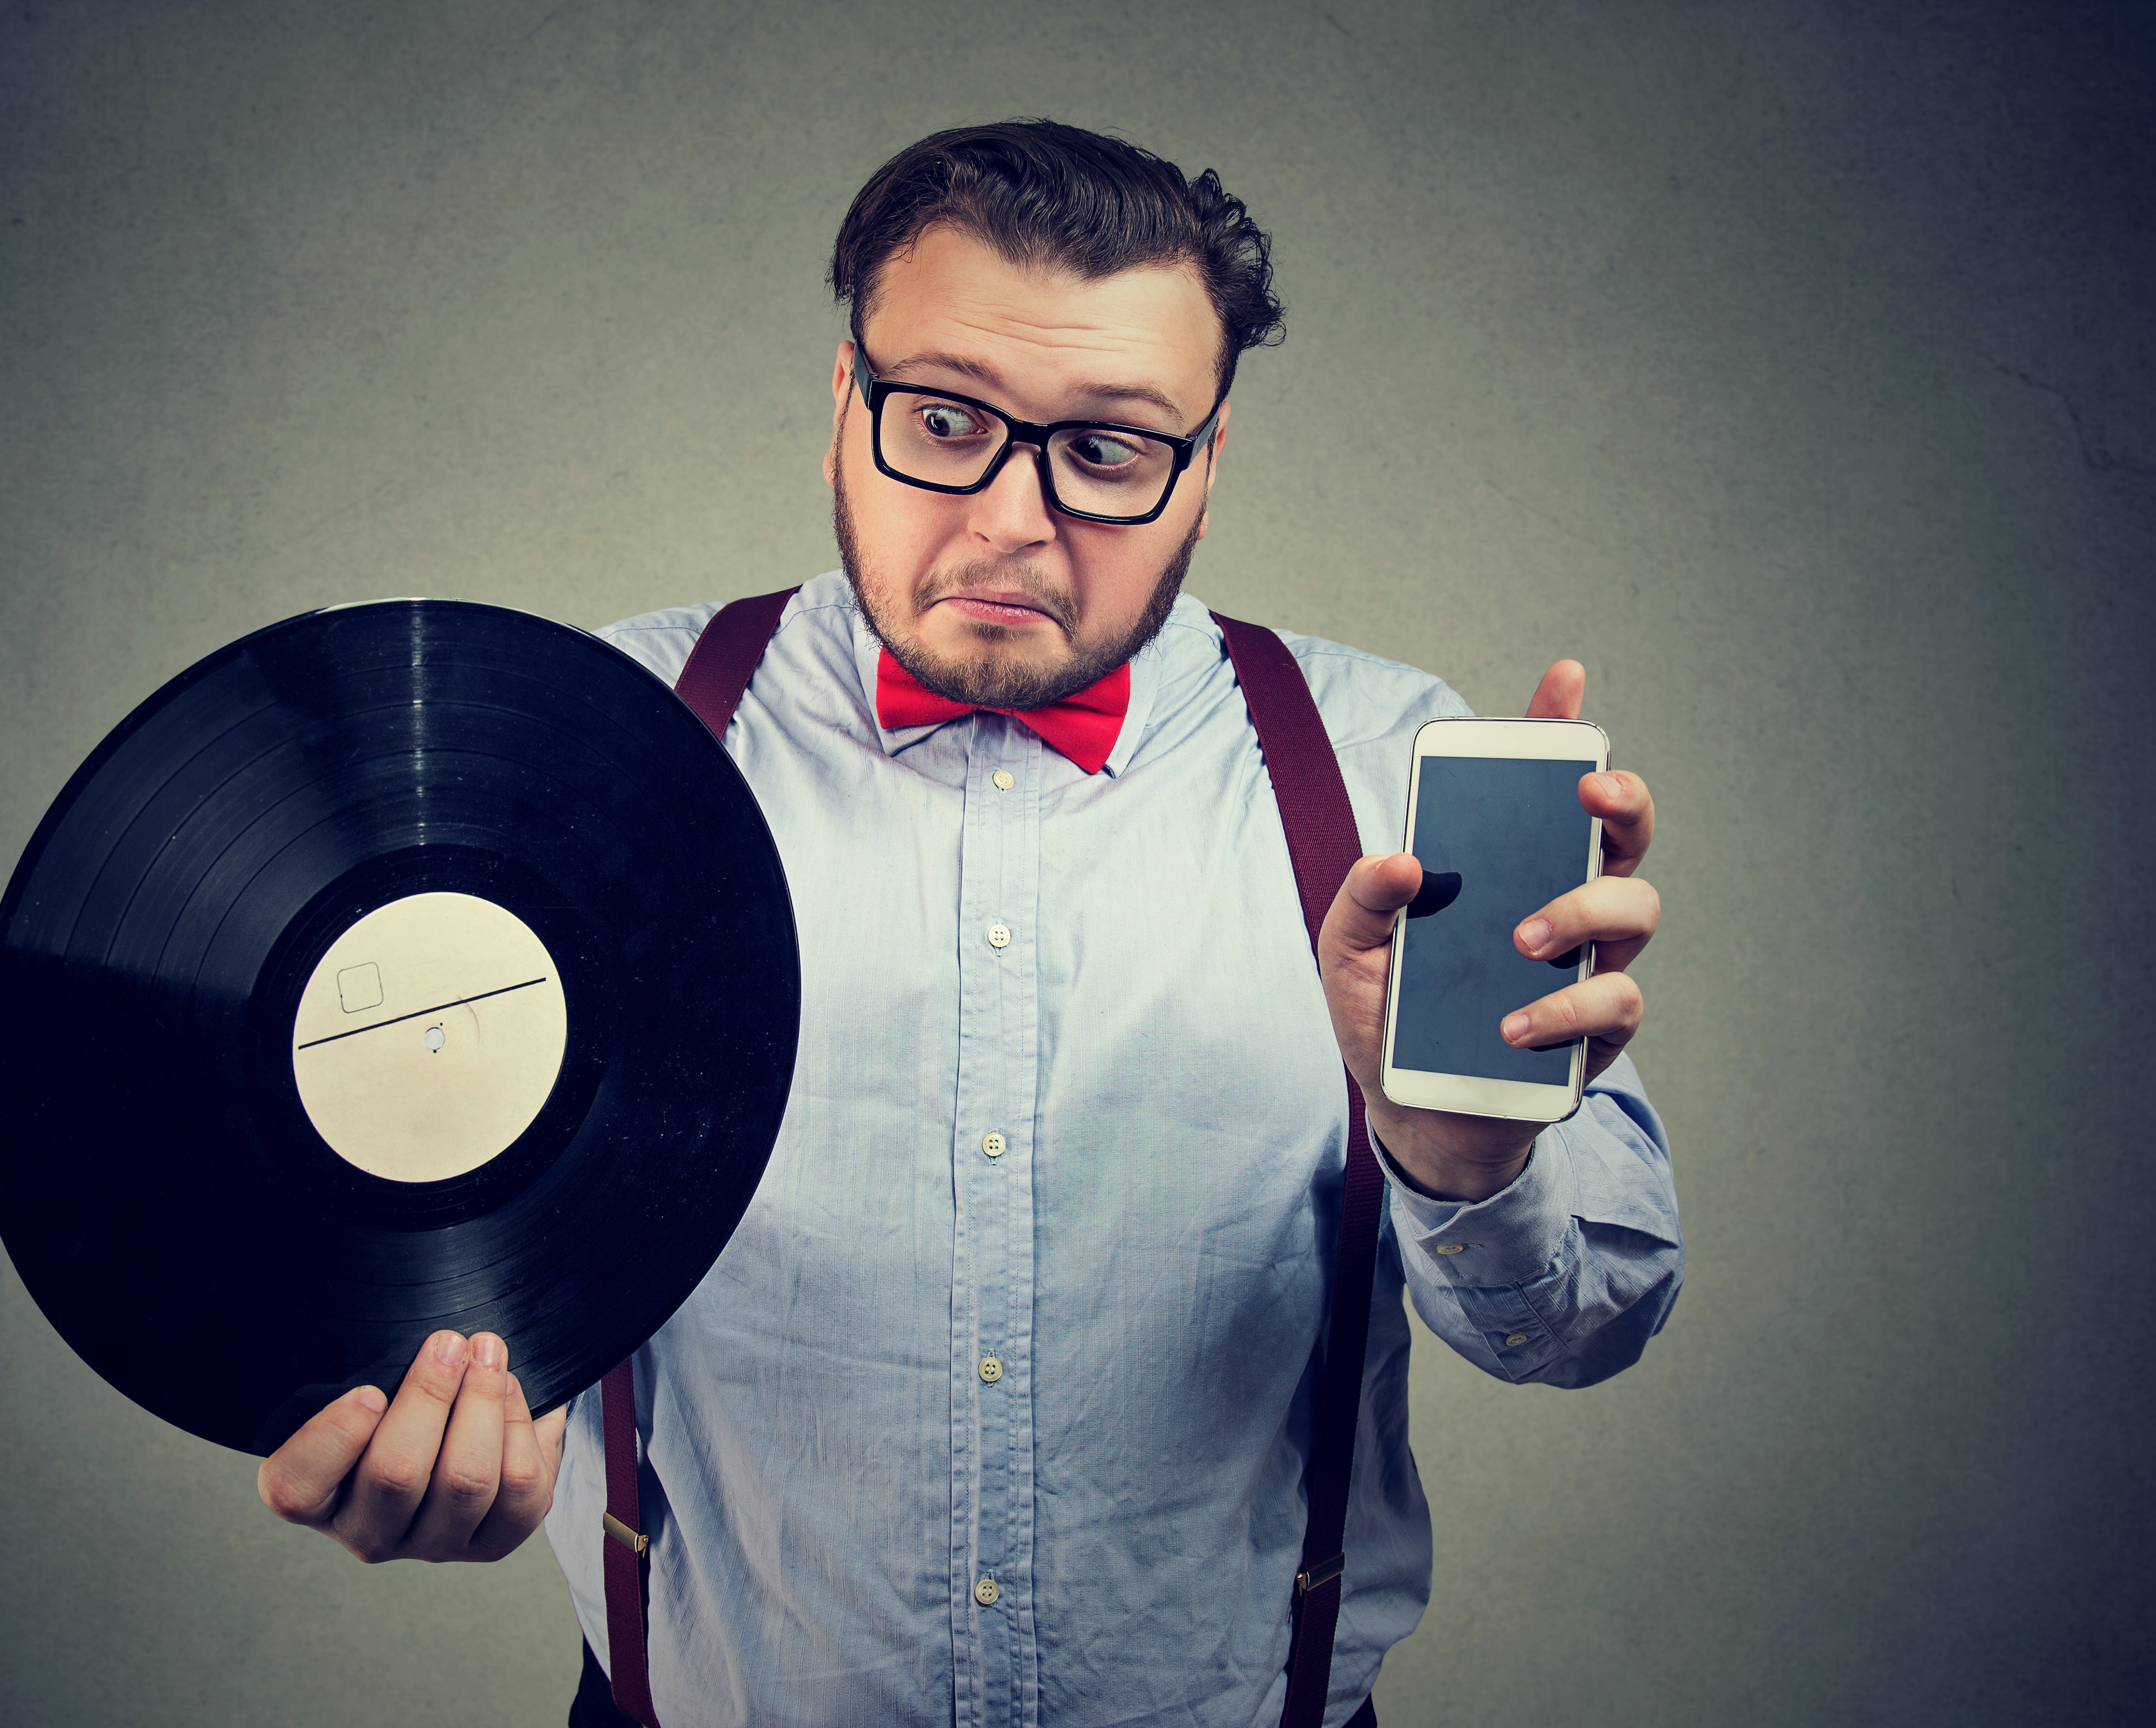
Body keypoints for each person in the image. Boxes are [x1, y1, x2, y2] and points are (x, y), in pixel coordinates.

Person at [255, 120, 1679, 1728]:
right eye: (943, 419)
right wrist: (393, 1399)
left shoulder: (1391, 771)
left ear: (1208, 465)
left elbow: (1589, 1326)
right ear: (842, 408)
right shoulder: (594, 743)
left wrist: (1466, 1161)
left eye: (1108, 449)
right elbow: (383, 1197)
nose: (1010, 521)